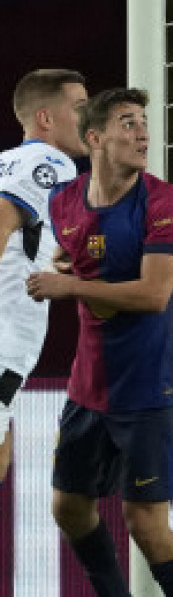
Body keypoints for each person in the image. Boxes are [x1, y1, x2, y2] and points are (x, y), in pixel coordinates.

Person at [25, 87, 173, 597]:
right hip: (89, 386)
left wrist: (71, 287)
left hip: (145, 391)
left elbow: (153, 294)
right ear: (94, 139)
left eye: (144, 123)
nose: (142, 134)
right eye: (127, 124)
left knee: (146, 525)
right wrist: (68, 269)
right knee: (69, 507)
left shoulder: (165, 205)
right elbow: (81, 254)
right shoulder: (63, 201)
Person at [0, 68, 87, 485]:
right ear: (45, 119)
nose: (87, 119)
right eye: (79, 108)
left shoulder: (6, 162)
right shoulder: (49, 161)